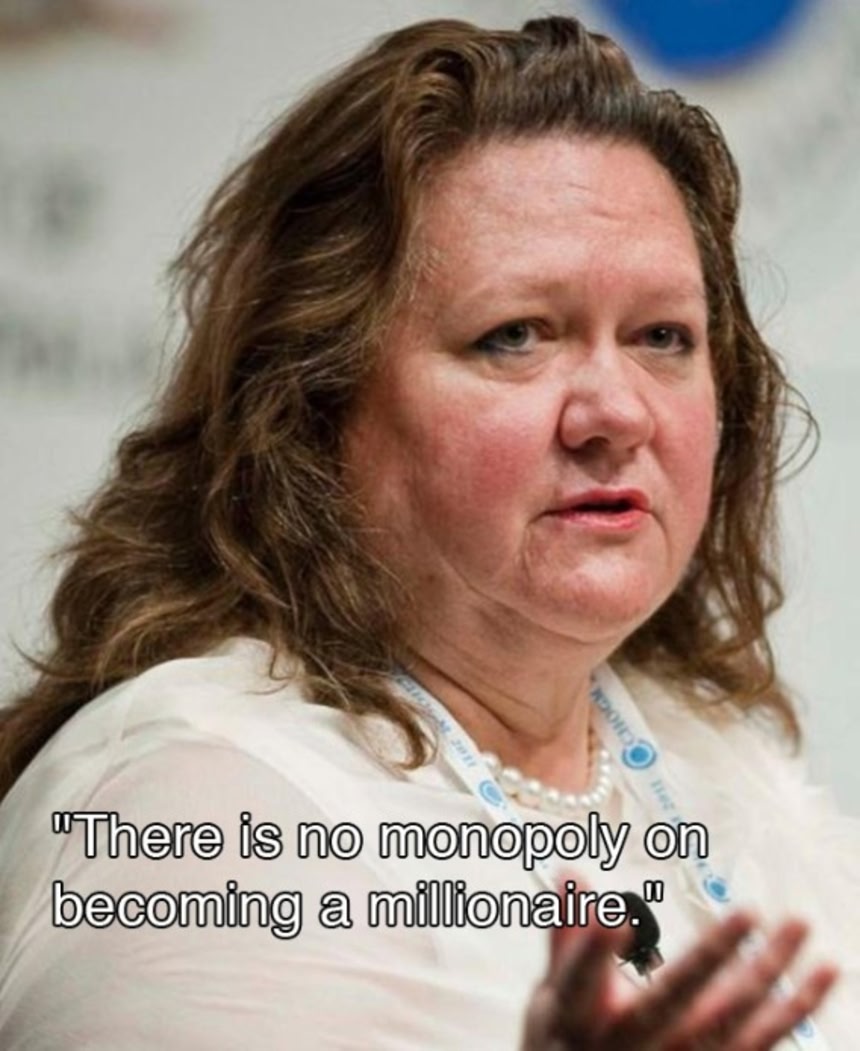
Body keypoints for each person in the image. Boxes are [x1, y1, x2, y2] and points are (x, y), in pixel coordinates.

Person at [0, 15, 856, 1050]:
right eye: (515, 335)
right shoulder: (190, 816)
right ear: (313, 405)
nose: (616, 411)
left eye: (662, 336)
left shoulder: (721, 769)